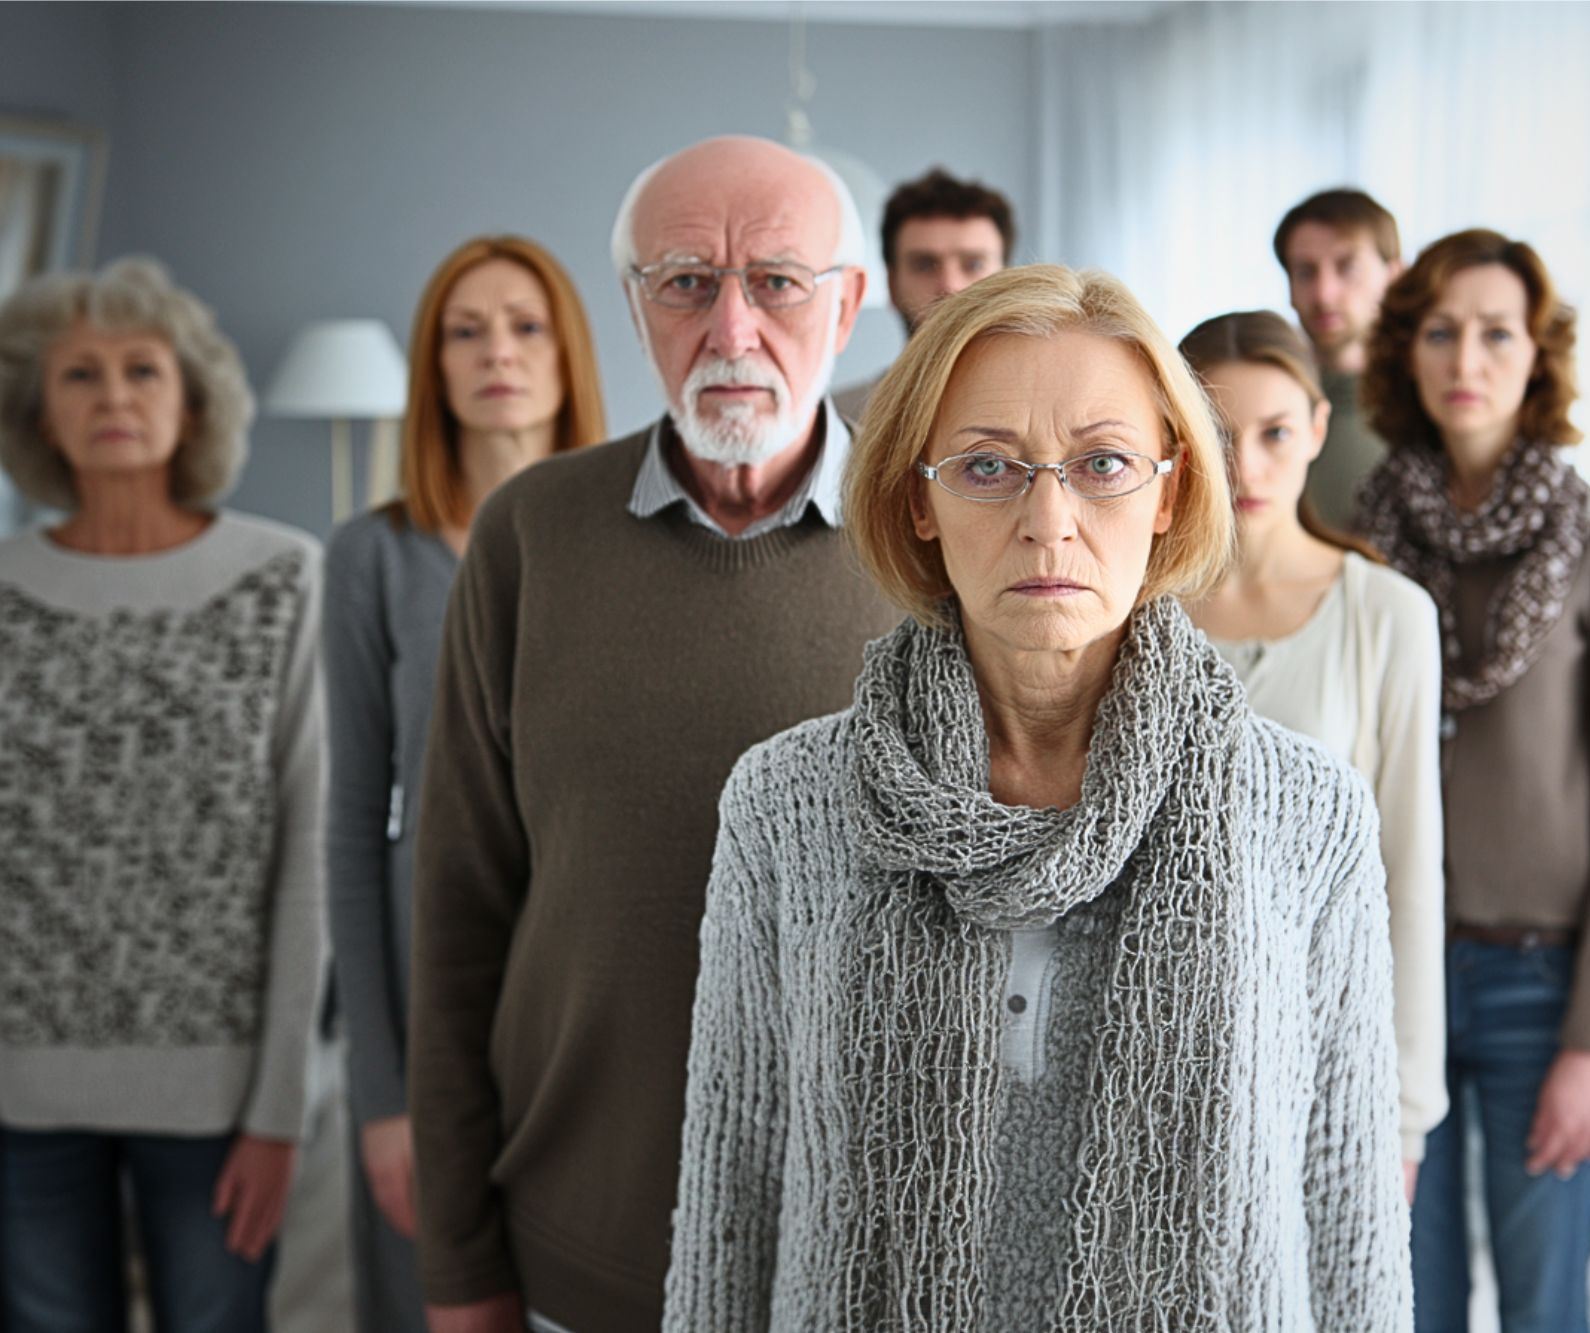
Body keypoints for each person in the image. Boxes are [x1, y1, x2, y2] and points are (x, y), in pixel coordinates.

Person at [661, 264, 1412, 1330]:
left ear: (1169, 493)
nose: (1048, 519)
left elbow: (1345, 1214)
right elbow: (732, 1194)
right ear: (916, 500)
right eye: (986, 467)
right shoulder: (788, 802)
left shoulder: (1305, 812)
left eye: (1102, 463)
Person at [408, 136, 902, 1333]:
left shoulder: (933, 537)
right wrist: (459, 1261)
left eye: (777, 281)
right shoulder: (528, 534)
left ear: (847, 304)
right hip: (584, 1244)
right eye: (685, 281)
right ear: (633, 307)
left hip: (876, 1252)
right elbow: (458, 910)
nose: (731, 329)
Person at [1353, 229, 1590, 1333]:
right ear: (1404, 353)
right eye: (1439, 331)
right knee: (1400, 1298)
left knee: (1544, 1309)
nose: (1465, 358)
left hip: (1543, 986)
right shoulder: (1363, 536)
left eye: (1496, 332)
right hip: (1387, 978)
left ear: (1537, 355)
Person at [0, 257, 326, 1330]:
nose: (113, 398)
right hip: (19, 1098)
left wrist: (280, 1112)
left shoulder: (283, 577)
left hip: (219, 1103)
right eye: (79, 375)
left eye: (142, 370)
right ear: (38, 411)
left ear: (189, 401)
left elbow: (307, 861)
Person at [323, 234, 607, 1333]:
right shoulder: (374, 556)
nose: (498, 352)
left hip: (579, 982)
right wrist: (380, 1097)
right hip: (423, 963)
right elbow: (351, 827)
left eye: (526, 325)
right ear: (432, 366)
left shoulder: (615, 548)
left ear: (568, 354)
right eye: (466, 329)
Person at [1179, 309, 1447, 1204]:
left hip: (1326, 1054)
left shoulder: (1389, 614)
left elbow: (1407, 873)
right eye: (1218, 434)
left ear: (1319, 429)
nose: (1248, 466)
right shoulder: (1131, 611)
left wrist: (1404, 1112)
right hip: (1152, 1039)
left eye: (1275, 433)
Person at [831, 166, 1015, 422]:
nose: (950, 286)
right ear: (891, 284)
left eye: (973, 265)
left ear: (1009, 282)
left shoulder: (1057, 415)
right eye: (924, 264)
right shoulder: (835, 424)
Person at [1274, 187, 1404, 529]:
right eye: (1305, 272)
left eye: (1347, 267)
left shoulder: (1435, 402)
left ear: (1393, 277)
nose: (1323, 294)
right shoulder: (1269, 404)